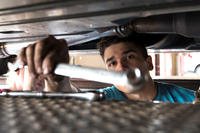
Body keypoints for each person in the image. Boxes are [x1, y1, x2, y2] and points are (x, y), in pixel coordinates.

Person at [7, 35, 195, 103]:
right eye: (112, 63)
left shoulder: (188, 98)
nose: (121, 66)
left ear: (149, 63)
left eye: (129, 57)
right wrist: (57, 79)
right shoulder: (102, 100)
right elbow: (70, 97)